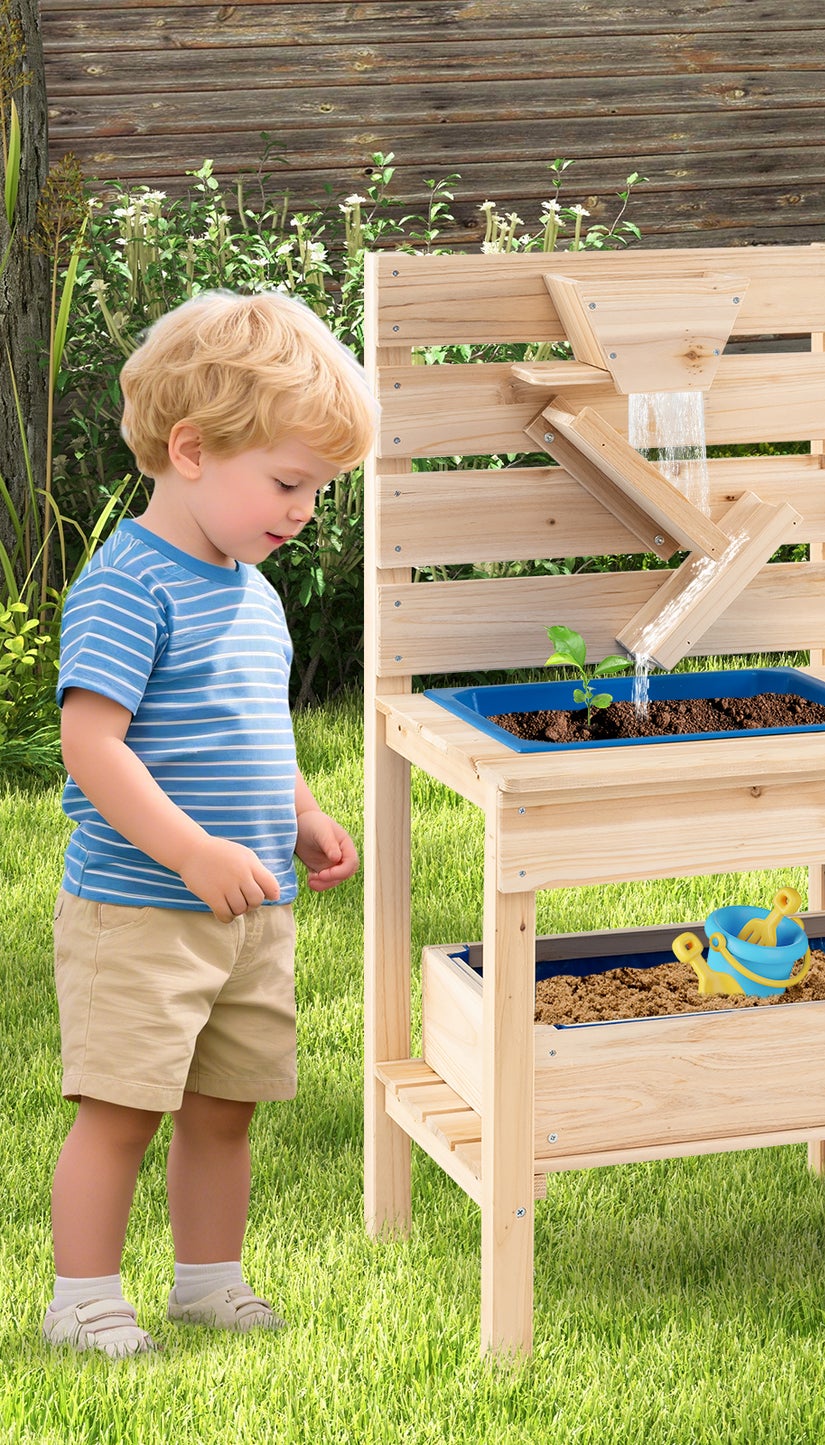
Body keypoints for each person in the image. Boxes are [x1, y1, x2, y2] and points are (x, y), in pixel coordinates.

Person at [42, 290, 377, 1358]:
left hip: (246, 909)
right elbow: (93, 745)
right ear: (190, 449)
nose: (304, 510)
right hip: (141, 909)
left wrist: (306, 812)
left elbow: (251, 732)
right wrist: (187, 849)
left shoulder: (252, 591)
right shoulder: (127, 585)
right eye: (288, 482)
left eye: (317, 489)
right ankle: (84, 1296)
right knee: (121, 1110)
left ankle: (206, 1280)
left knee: (225, 1106)